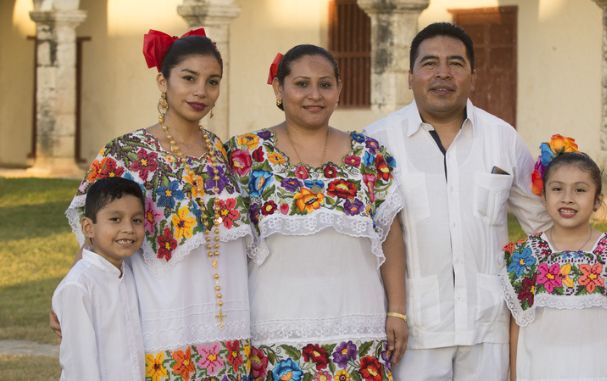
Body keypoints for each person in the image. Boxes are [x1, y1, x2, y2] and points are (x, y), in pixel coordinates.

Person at [60, 28, 252, 380]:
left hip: (229, 328)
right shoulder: (127, 153)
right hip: (163, 318)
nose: (201, 92)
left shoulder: (222, 152)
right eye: (189, 78)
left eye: (213, 82)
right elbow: (94, 231)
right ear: (163, 82)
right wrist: (78, 293)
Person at [364, 22, 551, 380]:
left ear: (473, 76)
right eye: (430, 63)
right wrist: (393, 313)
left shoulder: (502, 138)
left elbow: (541, 226)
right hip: (411, 330)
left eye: (456, 63)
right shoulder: (376, 142)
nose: (443, 74)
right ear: (410, 76)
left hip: (488, 325)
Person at [227, 44, 407, 380]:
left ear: (339, 89)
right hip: (273, 332)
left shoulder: (368, 153)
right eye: (301, 84)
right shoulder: (246, 154)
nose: (314, 95)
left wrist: (397, 311)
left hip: (358, 330)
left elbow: (390, 235)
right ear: (279, 88)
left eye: (325, 84)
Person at [502, 135, 607, 381]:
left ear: (597, 201)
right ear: (544, 197)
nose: (567, 198)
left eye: (580, 190)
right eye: (557, 189)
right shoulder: (525, 257)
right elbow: (517, 327)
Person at [53, 177, 145, 380]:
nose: (129, 228)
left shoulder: (129, 274)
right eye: (115, 219)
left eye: (136, 220)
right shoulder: (79, 286)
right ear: (88, 228)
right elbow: (79, 364)